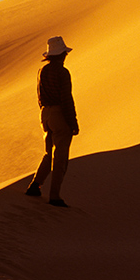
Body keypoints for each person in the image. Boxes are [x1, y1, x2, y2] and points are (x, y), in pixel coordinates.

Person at [25, 36, 80, 207]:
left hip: (45, 114)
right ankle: (54, 196)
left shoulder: (42, 70)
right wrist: (73, 121)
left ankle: (35, 185)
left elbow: (39, 95)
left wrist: (45, 114)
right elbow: (66, 98)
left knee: (49, 153)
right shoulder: (62, 72)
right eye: (64, 53)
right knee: (60, 158)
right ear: (62, 54)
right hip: (59, 114)